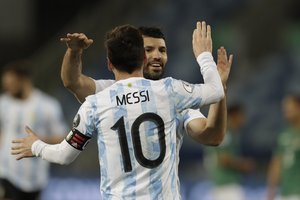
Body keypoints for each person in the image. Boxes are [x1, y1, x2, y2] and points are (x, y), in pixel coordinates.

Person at [11, 22, 224, 199]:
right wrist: (205, 57)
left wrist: (36, 146)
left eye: (162, 50)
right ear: (142, 57)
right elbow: (215, 91)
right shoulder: (172, 92)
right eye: (149, 50)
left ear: (110, 64)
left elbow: (63, 155)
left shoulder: (96, 102)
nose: (157, 56)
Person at [0, 61, 67, 200]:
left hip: (36, 178)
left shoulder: (48, 105)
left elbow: (62, 137)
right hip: (7, 172)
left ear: (24, 80)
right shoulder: (3, 103)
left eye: (11, 84)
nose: (8, 88)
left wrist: (37, 142)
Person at [205, 103, 256, 200]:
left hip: (219, 185)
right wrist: (243, 165)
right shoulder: (226, 132)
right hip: (227, 186)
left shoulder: (224, 131)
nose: (243, 119)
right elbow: (223, 159)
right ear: (234, 115)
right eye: (241, 115)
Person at [267, 93, 300, 200]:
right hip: (286, 193)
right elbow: (276, 164)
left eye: (289, 108)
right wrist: (271, 192)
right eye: (284, 109)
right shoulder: (284, 135)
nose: (286, 112)